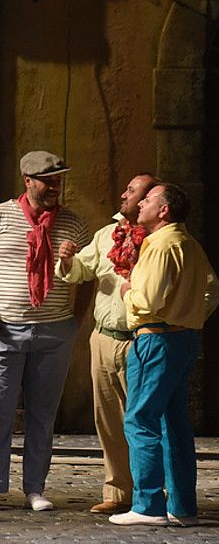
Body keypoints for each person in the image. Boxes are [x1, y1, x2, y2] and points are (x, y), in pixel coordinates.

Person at [0, 150, 90, 512]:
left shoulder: (73, 224)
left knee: (43, 412)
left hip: (54, 332)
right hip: (5, 329)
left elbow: (88, 275)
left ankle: (35, 487)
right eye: (48, 180)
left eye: (59, 179)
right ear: (28, 181)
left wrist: (75, 318)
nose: (55, 186)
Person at [109, 184, 218, 527]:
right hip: (183, 339)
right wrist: (189, 314)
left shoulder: (160, 245)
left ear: (165, 210)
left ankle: (148, 505)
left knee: (139, 419)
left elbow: (149, 301)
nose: (140, 203)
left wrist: (127, 291)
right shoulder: (190, 244)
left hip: (156, 339)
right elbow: (211, 291)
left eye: (148, 199)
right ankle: (183, 506)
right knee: (174, 423)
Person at [55, 173, 159, 515]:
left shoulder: (161, 243)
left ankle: (154, 492)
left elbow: (204, 289)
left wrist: (176, 320)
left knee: (143, 420)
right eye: (128, 189)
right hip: (103, 337)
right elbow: (81, 271)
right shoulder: (107, 236)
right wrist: (68, 259)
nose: (126, 195)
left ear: (150, 200)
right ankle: (118, 491)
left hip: (139, 339)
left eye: (134, 191)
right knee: (109, 420)